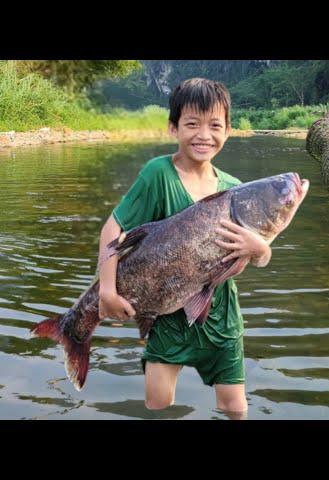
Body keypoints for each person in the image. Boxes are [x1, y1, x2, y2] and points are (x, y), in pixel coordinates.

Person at [97, 78, 271, 419]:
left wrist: (260, 249)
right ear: (173, 127)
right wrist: (106, 291)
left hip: (221, 317)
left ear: (229, 130)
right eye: (192, 124)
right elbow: (112, 228)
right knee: (158, 403)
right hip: (167, 314)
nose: (204, 135)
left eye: (215, 125)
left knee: (235, 408)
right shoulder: (157, 174)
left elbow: (251, 257)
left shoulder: (234, 190)